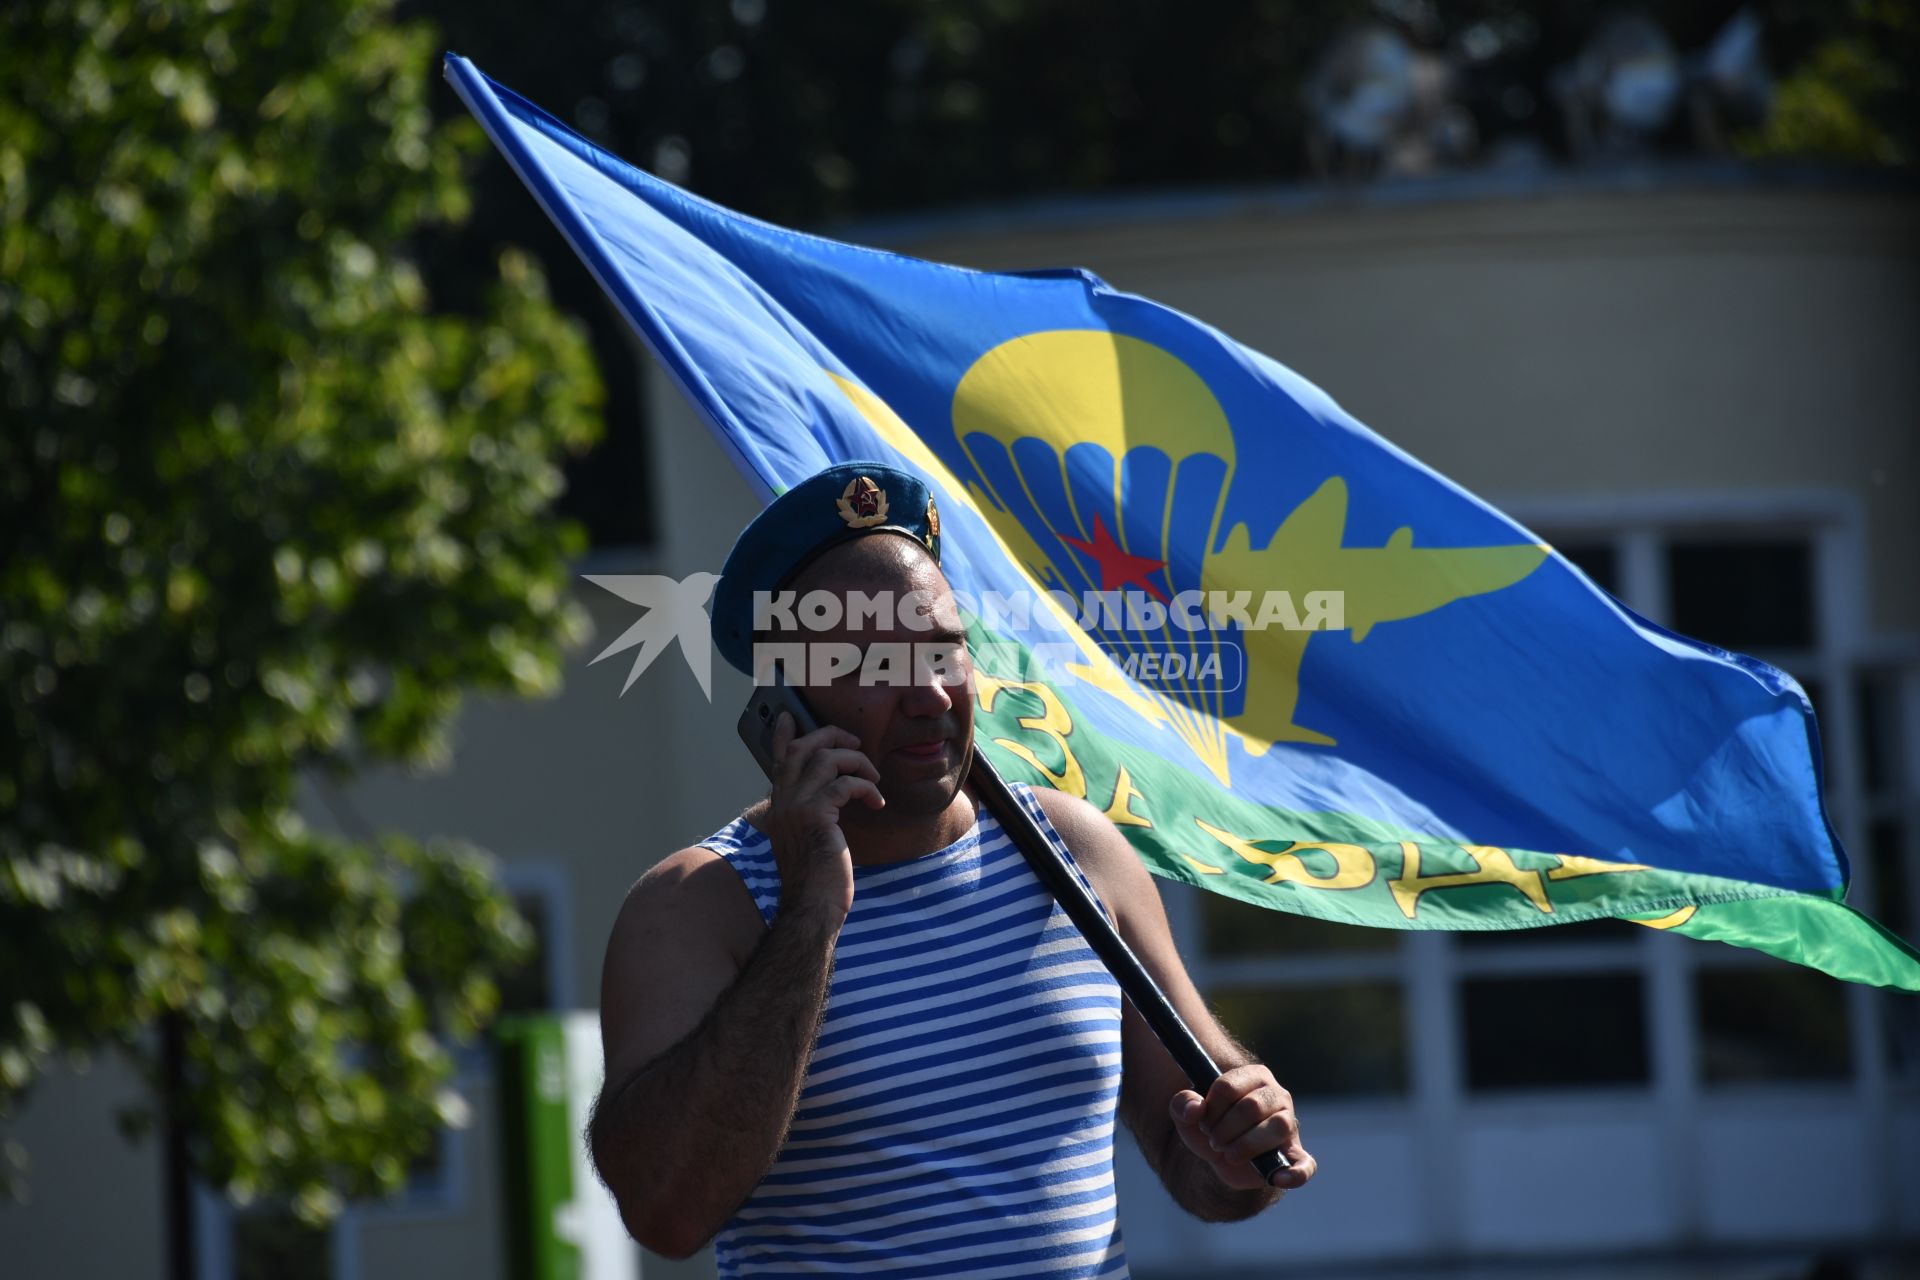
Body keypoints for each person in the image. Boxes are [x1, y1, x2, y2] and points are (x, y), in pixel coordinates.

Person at [588, 461, 1315, 1277]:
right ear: (785, 705)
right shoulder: (696, 907)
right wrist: (811, 913)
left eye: (943, 650)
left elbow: (1207, 1166)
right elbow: (667, 1211)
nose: (930, 693)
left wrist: (1243, 1148)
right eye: (873, 664)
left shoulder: (1074, 848)